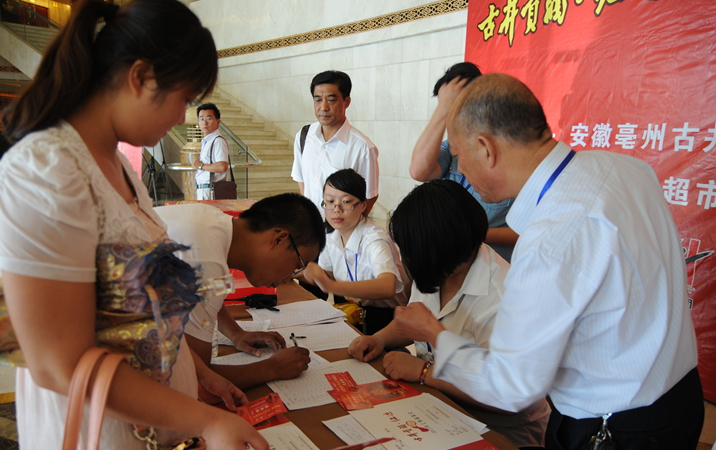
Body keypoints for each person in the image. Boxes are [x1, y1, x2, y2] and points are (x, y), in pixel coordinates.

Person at [0, 0, 268, 448]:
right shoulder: (45, 172)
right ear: (140, 77)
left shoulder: (117, 167)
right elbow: (58, 363)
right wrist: (206, 421)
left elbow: (146, 314)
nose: (182, 117)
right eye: (183, 100)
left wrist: (200, 375)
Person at [395, 73, 704, 449]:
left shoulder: (551, 239)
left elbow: (512, 386)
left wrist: (436, 336)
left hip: (616, 427)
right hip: (679, 398)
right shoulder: (624, 167)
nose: (462, 174)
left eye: (458, 157)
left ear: (486, 148)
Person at [349, 180, 550, 449]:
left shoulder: (504, 297)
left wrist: (424, 372)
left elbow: (506, 397)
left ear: (439, 249)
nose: (407, 260)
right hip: (439, 406)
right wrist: (380, 339)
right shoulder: (437, 269)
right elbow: (417, 320)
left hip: (500, 430)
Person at [154, 194, 324, 390]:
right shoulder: (205, 261)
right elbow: (195, 379)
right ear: (279, 239)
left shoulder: (210, 223)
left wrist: (236, 334)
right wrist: (272, 368)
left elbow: (207, 294)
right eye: (297, 265)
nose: (288, 278)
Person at [409, 62, 518, 261]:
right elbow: (419, 171)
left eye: (456, 107)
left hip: (495, 268)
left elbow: (528, 232)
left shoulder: (513, 155)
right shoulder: (451, 149)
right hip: (453, 262)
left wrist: (471, 233)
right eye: (448, 108)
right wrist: (443, 110)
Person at [301, 169, 407, 335]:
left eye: (346, 202)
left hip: (385, 320)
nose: (336, 209)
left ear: (363, 205)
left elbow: (388, 287)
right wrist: (291, 274)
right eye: (330, 201)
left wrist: (331, 286)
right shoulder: (331, 236)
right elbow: (326, 275)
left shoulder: (375, 239)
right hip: (351, 312)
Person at [291, 70, 380, 218]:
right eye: (318, 100)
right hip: (310, 225)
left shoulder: (363, 147)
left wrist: (346, 227)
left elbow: (370, 196)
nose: (323, 107)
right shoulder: (303, 136)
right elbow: (302, 180)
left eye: (331, 100)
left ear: (346, 102)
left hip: (340, 227)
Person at [192, 102, 229, 200]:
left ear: (218, 122)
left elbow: (222, 166)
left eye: (209, 118)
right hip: (205, 189)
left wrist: (200, 166)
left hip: (211, 190)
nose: (204, 122)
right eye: (201, 119)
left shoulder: (218, 141)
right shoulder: (207, 141)